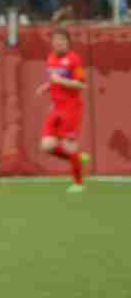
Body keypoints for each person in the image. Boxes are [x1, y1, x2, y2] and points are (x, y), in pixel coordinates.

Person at [37, 29, 90, 193]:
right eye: (55, 40)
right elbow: (54, 80)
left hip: (71, 108)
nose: (58, 43)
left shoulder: (74, 60)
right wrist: (46, 87)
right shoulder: (51, 58)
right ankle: (78, 158)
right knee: (46, 146)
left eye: (61, 40)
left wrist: (61, 80)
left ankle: (78, 183)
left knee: (68, 145)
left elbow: (81, 84)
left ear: (68, 42)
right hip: (56, 108)